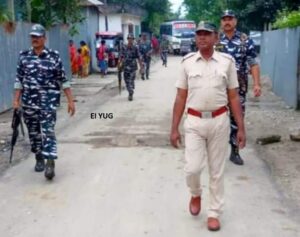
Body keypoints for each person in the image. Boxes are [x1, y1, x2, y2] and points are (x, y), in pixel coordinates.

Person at [170, 21, 245, 231]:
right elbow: (180, 97)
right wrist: (174, 128)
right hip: (193, 121)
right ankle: (195, 193)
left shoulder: (227, 62)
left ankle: (214, 212)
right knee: (192, 168)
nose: (202, 37)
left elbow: (233, 96)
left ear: (215, 38)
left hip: (219, 120)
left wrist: (240, 127)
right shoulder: (187, 62)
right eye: (199, 34)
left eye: (207, 34)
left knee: (217, 170)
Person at [13, 24, 75, 180]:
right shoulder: (24, 56)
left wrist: (70, 100)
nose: (34, 39)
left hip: (48, 102)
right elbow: (18, 80)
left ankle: (50, 162)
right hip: (29, 103)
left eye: (37, 36)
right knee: (33, 134)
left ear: (44, 38)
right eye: (32, 36)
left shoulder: (53, 56)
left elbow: (63, 79)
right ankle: (39, 156)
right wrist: (16, 100)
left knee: (48, 132)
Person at [217, 10, 262, 165]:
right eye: (224, 19)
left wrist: (257, 83)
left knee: (237, 118)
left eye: (230, 19)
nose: (227, 22)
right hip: (218, 87)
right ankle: (214, 151)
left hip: (238, 87)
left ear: (235, 21)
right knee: (217, 117)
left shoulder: (245, 40)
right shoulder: (215, 40)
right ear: (221, 22)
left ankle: (234, 152)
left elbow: (253, 63)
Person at [119, 33, 143, 101]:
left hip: (133, 67)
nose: (130, 40)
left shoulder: (136, 47)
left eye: (131, 39)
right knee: (127, 81)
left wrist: (141, 67)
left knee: (131, 80)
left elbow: (139, 57)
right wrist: (119, 63)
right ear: (127, 39)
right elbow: (121, 56)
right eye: (129, 39)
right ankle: (130, 91)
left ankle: (130, 91)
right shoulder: (123, 47)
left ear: (133, 40)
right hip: (125, 66)